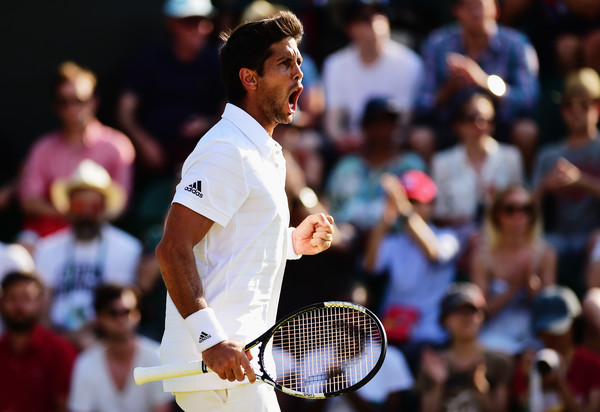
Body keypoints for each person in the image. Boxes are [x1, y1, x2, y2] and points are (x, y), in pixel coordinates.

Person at [154, 11, 334, 412]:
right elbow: (172, 248)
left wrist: (290, 242)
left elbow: (231, 243)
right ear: (249, 79)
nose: (299, 76)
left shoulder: (266, 153)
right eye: (284, 64)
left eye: (299, 63)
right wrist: (212, 342)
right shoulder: (225, 151)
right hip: (217, 368)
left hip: (235, 368)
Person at [18, 61, 135, 248]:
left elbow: (121, 204)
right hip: (45, 236)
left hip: (97, 235)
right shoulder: (43, 147)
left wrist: (84, 218)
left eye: (79, 100)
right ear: (55, 106)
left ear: (94, 100)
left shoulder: (117, 145)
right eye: (64, 102)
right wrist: (72, 214)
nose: (72, 109)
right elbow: (29, 200)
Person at [410, 0, 539, 168]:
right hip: (451, 126)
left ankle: (522, 189)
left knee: (526, 131)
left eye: (480, 5)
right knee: (421, 137)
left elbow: (528, 99)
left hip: (499, 125)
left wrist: (484, 81)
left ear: (495, 10)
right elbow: (421, 105)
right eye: (468, 7)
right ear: (457, 12)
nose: (475, 13)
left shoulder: (516, 44)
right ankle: (428, 192)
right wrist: (449, 88)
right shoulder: (437, 44)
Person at [34, 160, 142, 350]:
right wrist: (60, 340)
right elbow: (42, 307)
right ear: (68, 206)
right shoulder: (46, 248)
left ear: (104, 208)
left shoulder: (127, 248)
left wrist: (90, 334)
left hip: (104, 340)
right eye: (78, 205)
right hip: (55, 340)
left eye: (93, 206)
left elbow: (120, 305)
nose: (85, 213)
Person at [363, 170, 462, 374]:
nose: (408, 207)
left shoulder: (448, 236)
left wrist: (404, 209)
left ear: (432, 206)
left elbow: (434, 252)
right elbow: (371, 266)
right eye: (406, 201)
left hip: (429, 335)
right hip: (390, 334)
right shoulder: (393, 241)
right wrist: (386, 217)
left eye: (416, 202)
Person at [116, 0, 226, 179]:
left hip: (203, 164)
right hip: (154, 165)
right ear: (171, 23)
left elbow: (228, 111)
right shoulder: (149, 60)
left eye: (204, 21)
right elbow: (124, 111)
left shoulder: (217, 62)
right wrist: (144, 142)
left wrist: (207, 124)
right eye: (190, 22)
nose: (200, 29)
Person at [322, 0, 423, 154]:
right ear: (350, 29)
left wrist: (377, 142)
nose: (374, 22)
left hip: (396, 150)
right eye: (364, 18)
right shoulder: (334, 65)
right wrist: (342, 140)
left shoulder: (409, 63)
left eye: (379, 14)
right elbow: (334, 122)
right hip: (353, 153)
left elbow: (405, 121)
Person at [532, 67, 600, 297]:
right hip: (559, 235)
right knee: (540, 248)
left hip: (594, 232)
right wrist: (545, 186)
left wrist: (582, 181)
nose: (576, 112)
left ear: (597, 108)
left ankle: (593, 304)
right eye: (569, 106)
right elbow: (528, 205)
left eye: (584, 105)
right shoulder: (549, 155)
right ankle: (548, 310)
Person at [324, 97, 426, 242]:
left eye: (388, 123)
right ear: (365, 127)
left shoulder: (411, 165)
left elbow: (420, 212)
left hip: (394, 239)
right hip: (346, 238)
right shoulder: (347, 166)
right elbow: (329, 204)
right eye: (376, 123)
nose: (382, 130)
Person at [470, 184, 557, 355]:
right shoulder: (482, 257)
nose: (519, 216)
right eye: (510, 209)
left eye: (526, 209)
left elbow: (550, 311)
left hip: (534, 336)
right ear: (497, 215)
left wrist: (531, 285)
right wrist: (514, 288)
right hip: (494, 335)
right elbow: (482, 312)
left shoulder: (546, 254)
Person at [68, 284, 173, 412]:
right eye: (113, 313)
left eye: (127, 311)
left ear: (137, 314)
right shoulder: (85, 363)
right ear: (99, 317)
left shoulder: (157, 357)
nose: (122, 319)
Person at [431, 91, 524, 233]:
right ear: (458, 124)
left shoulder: (511, 157)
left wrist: (501, 201)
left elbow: (521, 206)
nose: (479, 125)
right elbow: (438, 215)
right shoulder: (441, 162)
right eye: (471, 118)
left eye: (487, 119)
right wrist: (462, 223)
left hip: (502, 234)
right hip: (456, 237)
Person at [418, 282, 513, 412]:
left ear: (482, 316)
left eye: (472, 310)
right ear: (445, 319)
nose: (466, 317)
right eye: (458, 311)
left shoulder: (499, 361)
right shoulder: (433, 363)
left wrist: (481, 389)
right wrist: (438, 384)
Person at [511, 285, 600, 411]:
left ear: (574, 324)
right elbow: (524, 408)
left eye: (558, 330)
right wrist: (532, 382)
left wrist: (559, 385)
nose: (552, 336)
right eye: (546, 330)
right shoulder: (529, 365)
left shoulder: (594, 365)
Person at [0, 271, 77, 412]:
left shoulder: (59, 351)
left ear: (40, 302)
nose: (19, 306)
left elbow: (66, 405)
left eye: (27, 298)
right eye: (12, 298)